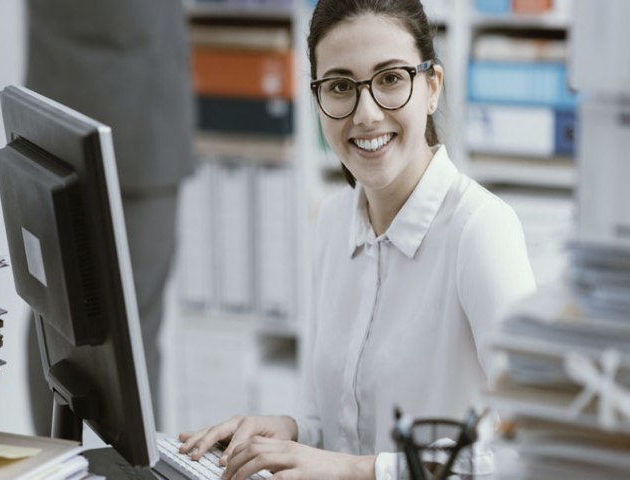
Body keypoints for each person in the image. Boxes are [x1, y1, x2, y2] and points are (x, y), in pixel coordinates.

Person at [178, 0, 536, 478]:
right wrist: (289, 433)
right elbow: (335, 427)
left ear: (432, 87)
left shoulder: (481, 230)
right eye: (341, 86)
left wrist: (358, 471)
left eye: (390, 78)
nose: (366, 114)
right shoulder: (332, 222)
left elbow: (534, 451)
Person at [25, 0, 194, 433]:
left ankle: (65, 464)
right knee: (120, 329)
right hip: (132, 113)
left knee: (57, 313)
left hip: (64, 97)